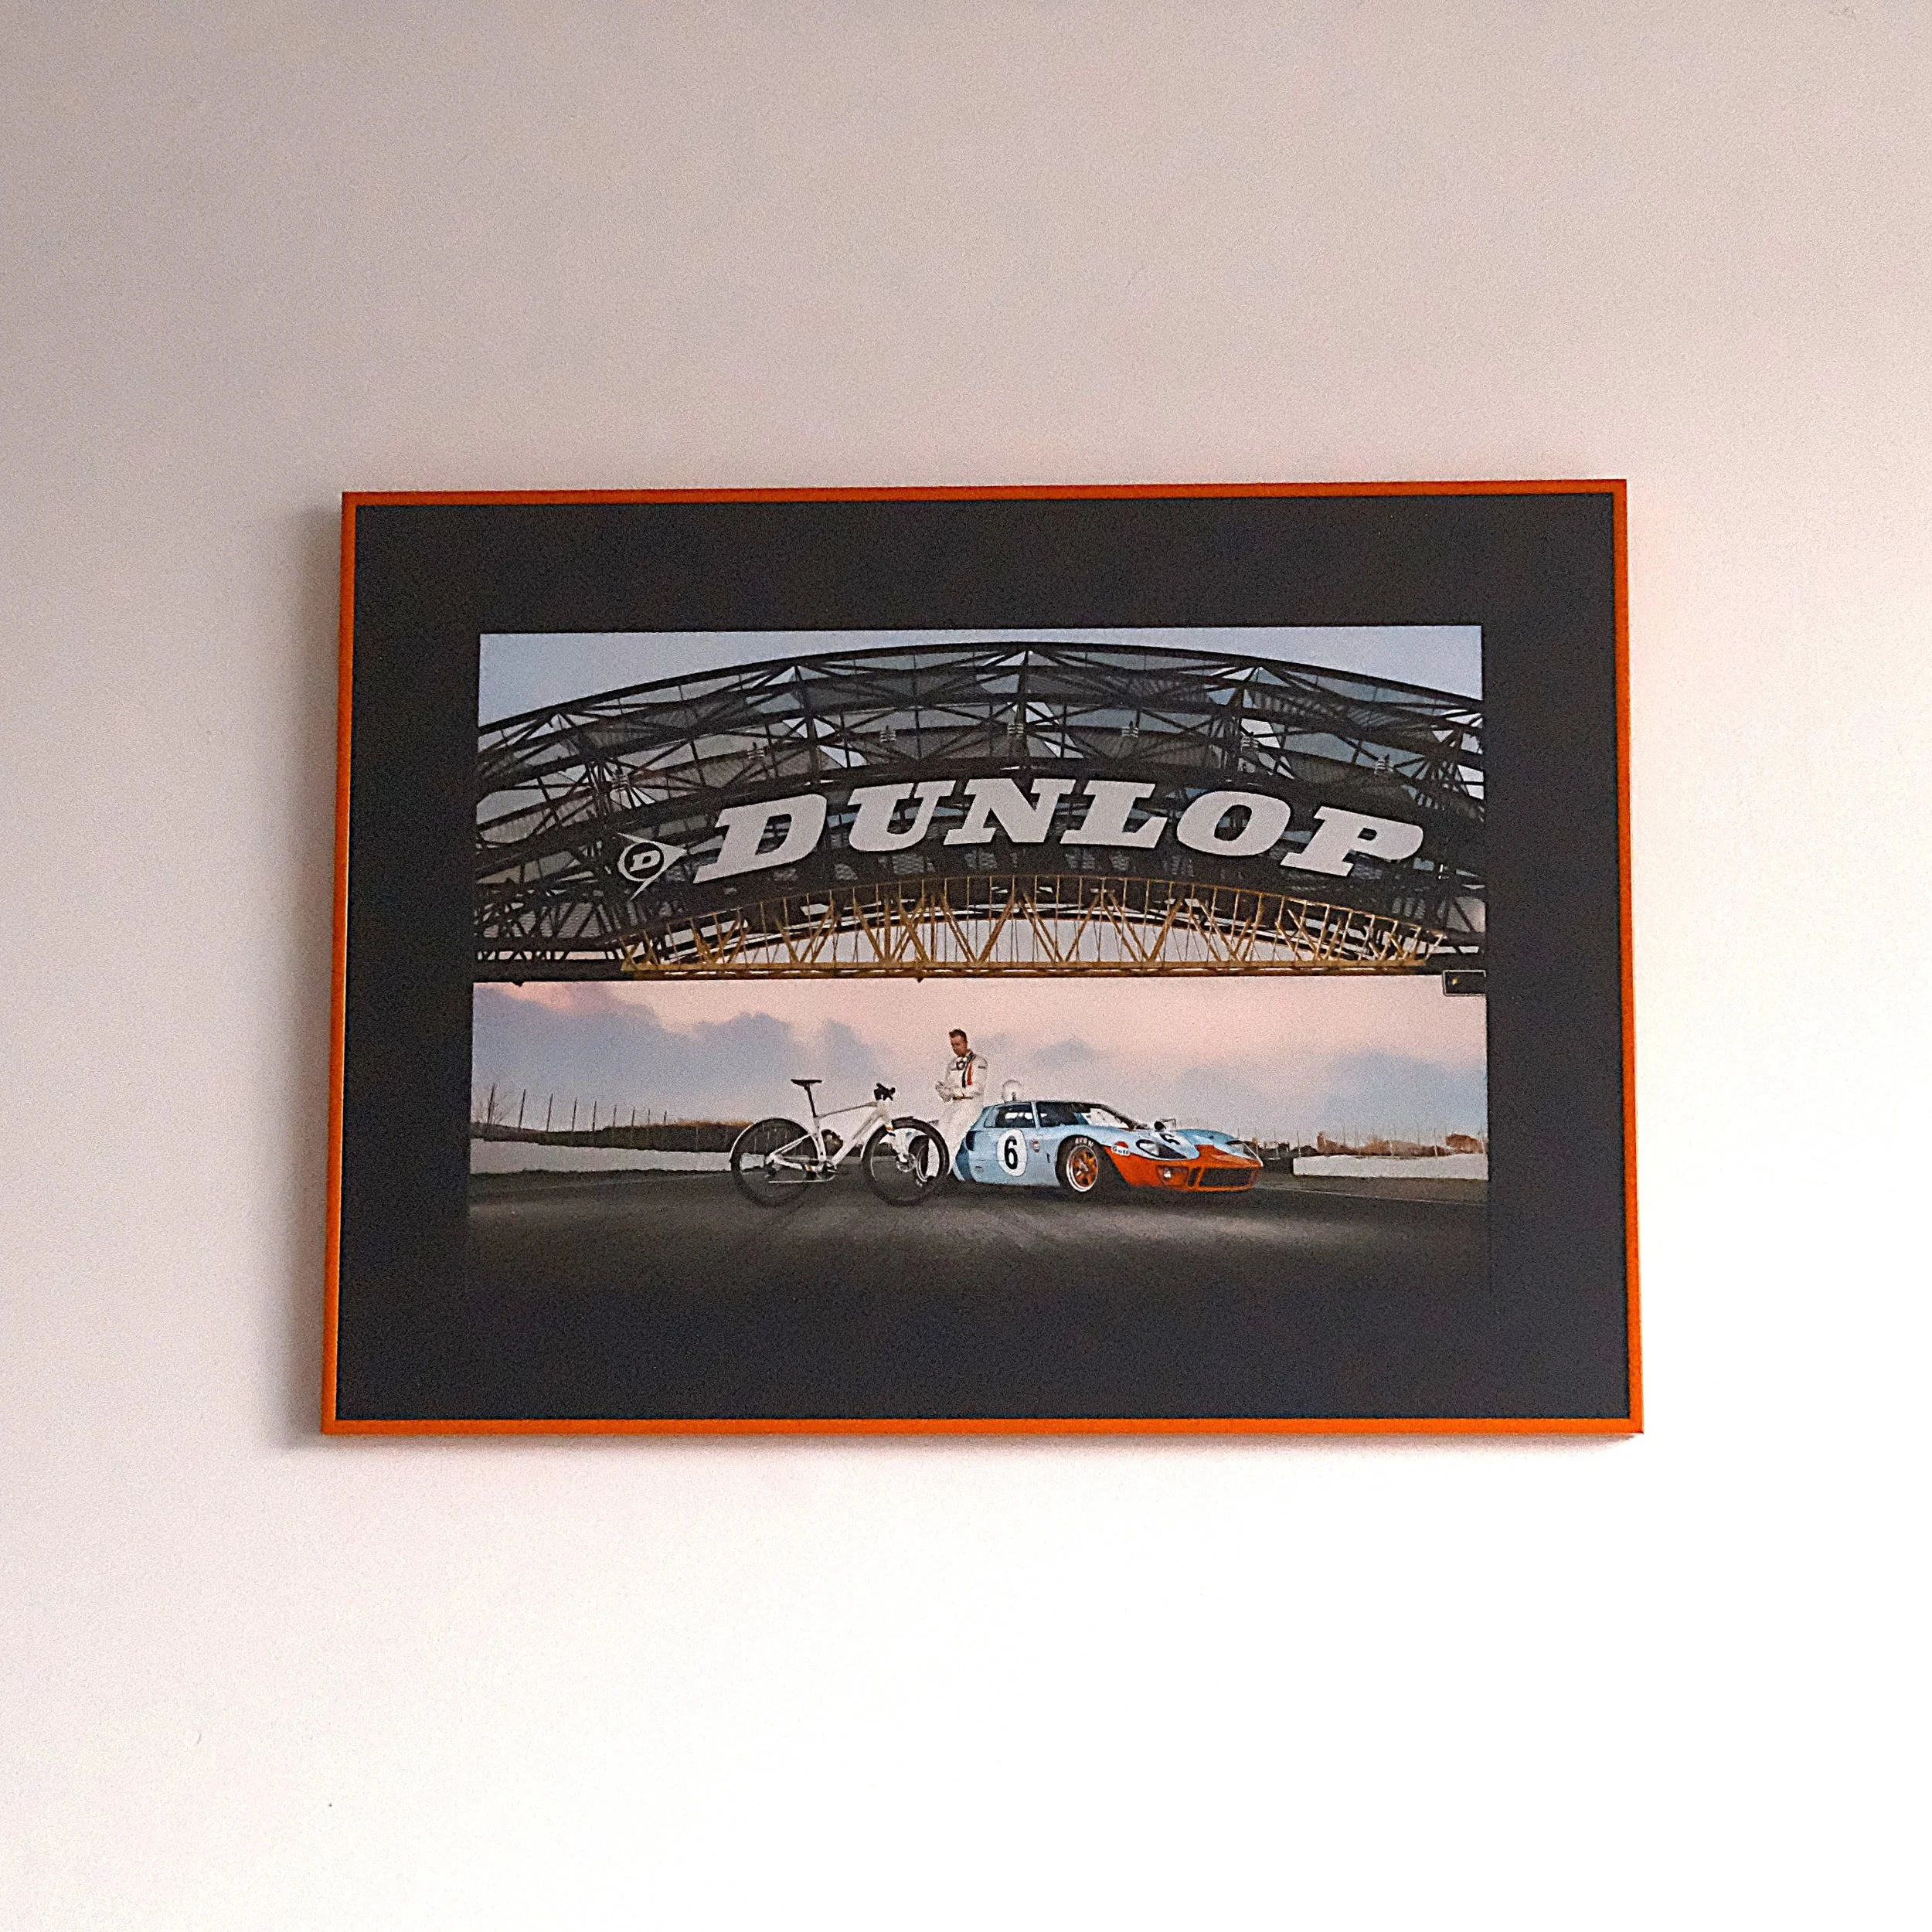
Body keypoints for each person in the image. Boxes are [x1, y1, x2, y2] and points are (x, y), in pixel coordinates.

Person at [934, 1028, 988, 1169]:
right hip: (955, 1104)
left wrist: (955, 1092)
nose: (955, 1048)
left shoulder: (978, 1062)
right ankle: (929, 1176)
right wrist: (943, 1092)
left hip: (970, 1105)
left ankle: (940, 1175)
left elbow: (977, 1088)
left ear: (966, 1042)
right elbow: (948, 1094)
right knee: (936, 1137)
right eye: (953, 1045)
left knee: (952, 1138)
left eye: (958, 1044)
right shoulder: (952, 1064)